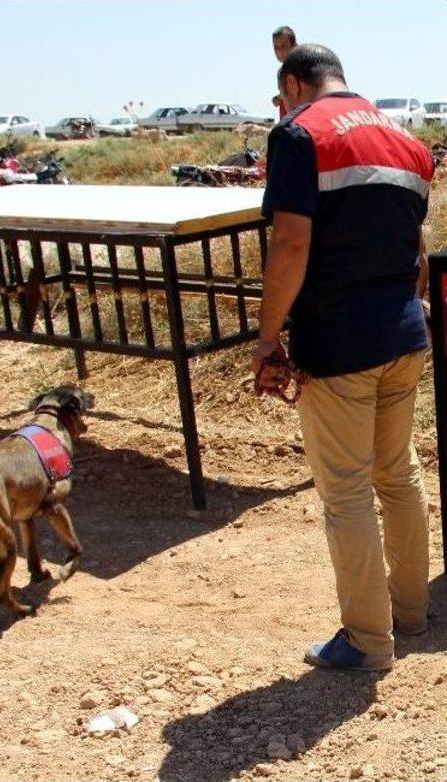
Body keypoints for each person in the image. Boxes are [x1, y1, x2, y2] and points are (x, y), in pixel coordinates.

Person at [253, 44, 434, 671]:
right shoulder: (406, 140)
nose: (282, 106)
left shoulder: (299, 133)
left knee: (348, 493)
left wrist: (267, 335)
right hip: (406, 338)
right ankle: (410, 614)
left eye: (283, 95)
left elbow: (291, 240)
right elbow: (417, 248)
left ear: (296, 83)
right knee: (399, 476)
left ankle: (366, 640)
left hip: (340, 343)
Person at [272, 26, 297, 119]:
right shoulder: (281, 72)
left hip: (299, 121)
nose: (280, 51)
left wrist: (279, 97)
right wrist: (277, 99)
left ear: (294, 46)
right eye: (276, 47)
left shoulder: (300, 68)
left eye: (284, 46)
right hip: (286, 120)